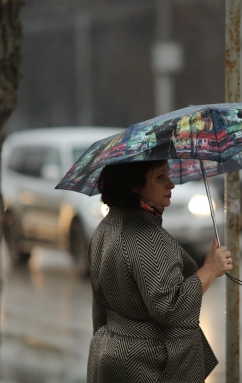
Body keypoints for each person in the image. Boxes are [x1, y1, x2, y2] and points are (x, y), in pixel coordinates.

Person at [87, 160, 233, 382]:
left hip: (108, 354)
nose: (171, 184)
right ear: (134, 184)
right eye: (160, 178)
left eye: (168, 175)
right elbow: (171, 307)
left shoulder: (105, 227)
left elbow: (99, 308)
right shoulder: (146, 236)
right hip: (147, 364)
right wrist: (209, 270)